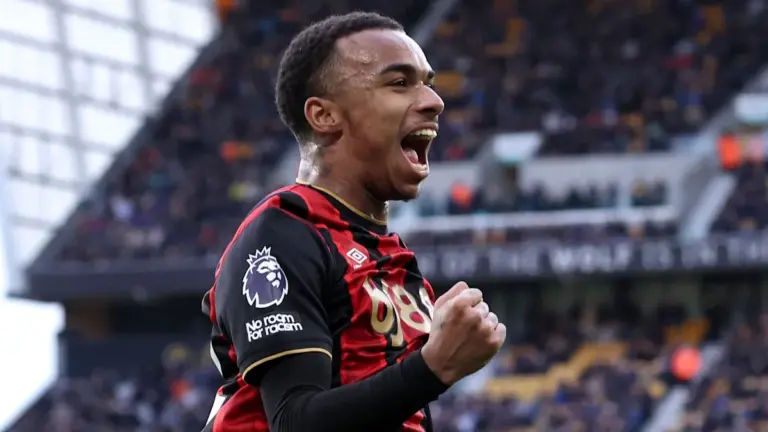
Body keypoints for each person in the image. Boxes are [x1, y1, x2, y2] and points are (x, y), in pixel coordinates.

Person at [202, 11, 506, 432]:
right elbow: (293, 421)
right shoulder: (283, 233)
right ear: (324, 116)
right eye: (399, 83)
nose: (434, 101)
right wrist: (433, 366)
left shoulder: (393, 258)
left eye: (428, 83)